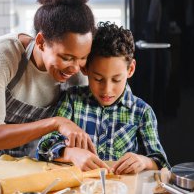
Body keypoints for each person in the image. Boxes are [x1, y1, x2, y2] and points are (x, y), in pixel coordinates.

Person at [0, 0, 105, 164]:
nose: (76, 68)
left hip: (29, 159)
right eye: (66, 57)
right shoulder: (4, 54)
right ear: (41, 42)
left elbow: (120, 97)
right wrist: (56, 122)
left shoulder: (77, 71)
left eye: (83, 57)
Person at [36, 22, 170, 174]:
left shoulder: (142, 112)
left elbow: (162, 163)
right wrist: (71, 154)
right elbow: (43, 148)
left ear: (130, 69)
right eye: (98, 79)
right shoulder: (72, 100)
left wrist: (144, 161)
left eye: (116, 80)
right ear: (85, 68)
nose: (107, 90)